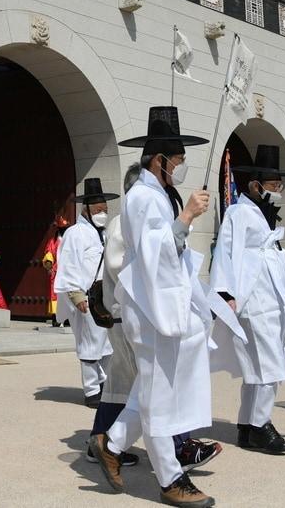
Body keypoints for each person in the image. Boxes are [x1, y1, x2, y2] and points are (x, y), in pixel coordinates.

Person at [92, 106, 216, 508]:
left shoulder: (157, 194)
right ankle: (170, 477)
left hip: (160, 305)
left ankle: (110, 443)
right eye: (177, 159)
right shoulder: (144, 197)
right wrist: (185, 218)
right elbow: (151, 254)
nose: (181, 166)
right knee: (158, 394)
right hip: (150, 309)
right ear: (159, 159)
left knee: (151, 389)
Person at [209, 145, 285, 455]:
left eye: (279, 185)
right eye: (273, 186)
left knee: (261, 365)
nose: (278, 191)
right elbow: (225, 253)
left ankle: (246, 426)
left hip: (274, 298)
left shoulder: (265, 214)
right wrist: (225, 293)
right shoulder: (238, 212)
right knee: (269, 364)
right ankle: (261, 425)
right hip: (253, 299)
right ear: (255, 185)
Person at [56, 179, 119, 407]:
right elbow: (69, 264)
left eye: (105, 209)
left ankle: (106, 384)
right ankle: (92, 389)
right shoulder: (75, 233)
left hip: (107, 295)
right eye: (98, 210)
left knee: (108, 343)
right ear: (86, 210)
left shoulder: (104, 233)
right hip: (86, 296)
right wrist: (76, 294)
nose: (103, 213)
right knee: (90, 343)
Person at [42, 216, 68, 326]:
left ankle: (67, 318)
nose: (64, 230)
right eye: (62, 229)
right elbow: (48, 256)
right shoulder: (52, 242)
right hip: (57, 272)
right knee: (56, 295)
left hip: (68, 272)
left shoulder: (70, 240)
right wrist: (49, 267)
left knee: (68, 294)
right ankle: (56, 318)